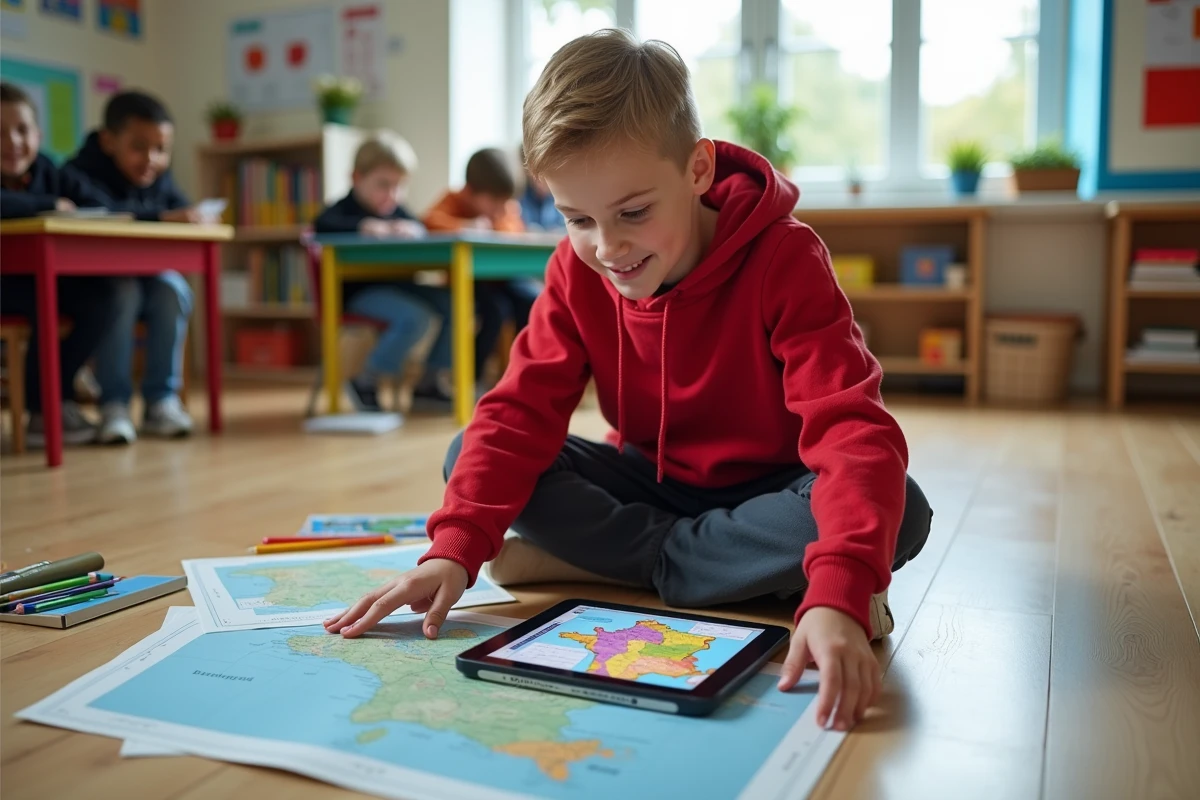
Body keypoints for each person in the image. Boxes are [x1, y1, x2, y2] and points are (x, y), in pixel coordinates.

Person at [325, 29, 932, 733]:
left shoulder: (785, 258)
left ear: (698, 168)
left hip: (773, 489)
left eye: (634, 213)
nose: (607, 248)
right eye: (578, 218)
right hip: (649, 480)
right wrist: (454, 550)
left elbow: (851, 428)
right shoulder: (575, 270)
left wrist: (838, 592)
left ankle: (621, 565)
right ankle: (728, 570)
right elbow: (520, 411)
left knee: (903, 511)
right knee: (471, 453)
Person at [64, 90, 197, 443]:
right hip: (90, 286)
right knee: (122, 292)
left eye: (162, 150)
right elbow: (104, 215)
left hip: (146, 279)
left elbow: (179, 208)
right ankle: (114, 405)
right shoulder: (78, 173)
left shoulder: (157, 176)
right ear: (109, 141)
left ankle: (161, 401)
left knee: (173, 288)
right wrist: (165, 217)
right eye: (139, 147)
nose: (151, 159)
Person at [0, 82, 126, 446]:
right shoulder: (50, 190)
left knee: (105, 297)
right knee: (45, 299)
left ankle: (59, 397)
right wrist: (48, 205)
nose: (12, 142)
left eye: (22, 130)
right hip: (11, 286)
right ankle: (42, 410)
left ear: (38, 135)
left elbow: (105, 206)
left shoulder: (49, 170)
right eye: (0, 132)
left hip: (43, 280)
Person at [313, 136, 440, 413]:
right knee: (415, 318)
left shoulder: (398, 212)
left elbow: (419, 226)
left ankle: (428, 384)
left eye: (399, 186)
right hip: (359, 294)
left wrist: (415, 231)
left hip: (400, 287)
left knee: (453, 303)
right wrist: (363, 226)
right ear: (357, 178)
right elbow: (321, 226)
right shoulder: (340, 212)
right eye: (384, 185)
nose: (392, 195)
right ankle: (365, 380)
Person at [417, 148, 523, 393]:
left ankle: (522, 375)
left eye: (504, 202)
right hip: (468, 282)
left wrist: (496, 224)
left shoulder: (506, 209)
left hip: (501, 279)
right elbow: (429, 221)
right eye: (493, 202)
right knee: (495, 311)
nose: (500, 209)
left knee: (531, 301)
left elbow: (514, 229)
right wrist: (467, 225)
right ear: (470, 191)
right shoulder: (453, 200)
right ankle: (471, 381)